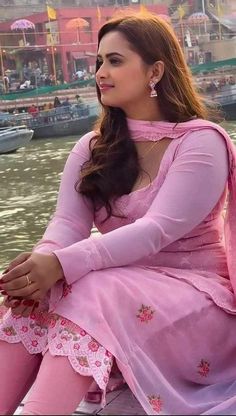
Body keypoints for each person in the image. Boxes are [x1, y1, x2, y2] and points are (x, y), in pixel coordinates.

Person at [0, 13, 236, 416]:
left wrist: (60, 264)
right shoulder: (94, 147)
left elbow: (156, 231)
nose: (100, 74)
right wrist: (41, 264)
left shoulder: (200, 142)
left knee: (87, 286)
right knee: (27, 296)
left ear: (155, 70)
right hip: (120, 294)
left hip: (197, 303)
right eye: (98, 62)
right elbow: (68, 224)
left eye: (115, 61)